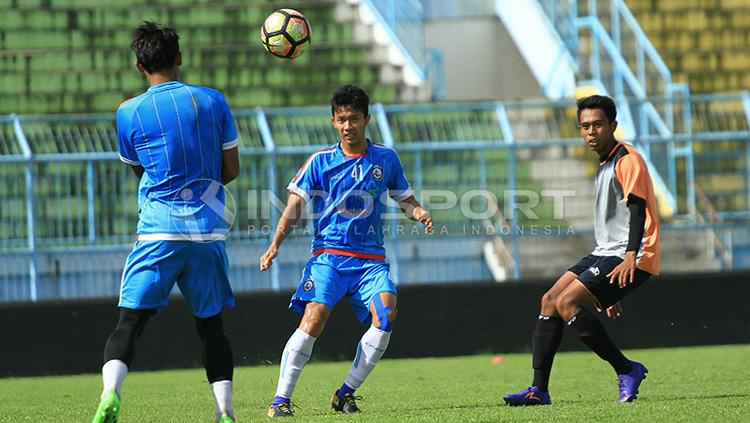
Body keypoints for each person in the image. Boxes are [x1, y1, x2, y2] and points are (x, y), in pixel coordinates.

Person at [92, 21, 240, 423]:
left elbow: (140, 170)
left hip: (158, 229)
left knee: (130, 322)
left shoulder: (128, 113)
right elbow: (231, 169)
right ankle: (224, 411)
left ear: (140, 65)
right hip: (207, 230)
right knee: (211, 327)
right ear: (179, 59)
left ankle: (110, 394)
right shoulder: (212, 101)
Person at [260, 84, 433, 417]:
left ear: (367, 119)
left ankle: (345, 392)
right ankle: (280, 399)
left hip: (370, 262)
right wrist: (275, 244)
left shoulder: (386, 158)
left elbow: (405, 200)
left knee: (386, 317)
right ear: (333, 121)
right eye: (341, 119)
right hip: (329, 257)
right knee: (314, 317)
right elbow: (294, 207)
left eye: (354, 118)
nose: (347, 126)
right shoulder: (320, 162)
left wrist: (419, 211)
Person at [503, 95, 660, 406]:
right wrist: (607, 292)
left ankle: (627, 370)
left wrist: (630, 256)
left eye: (598, 124)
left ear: (613, 125)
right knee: (549, 301)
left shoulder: (628, 159)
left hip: (632, 253)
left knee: (567, 302)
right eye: (585, 126)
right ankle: (539, 390)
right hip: (607, 252)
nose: (591, 131)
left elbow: (638, 210)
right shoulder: (604, 163)